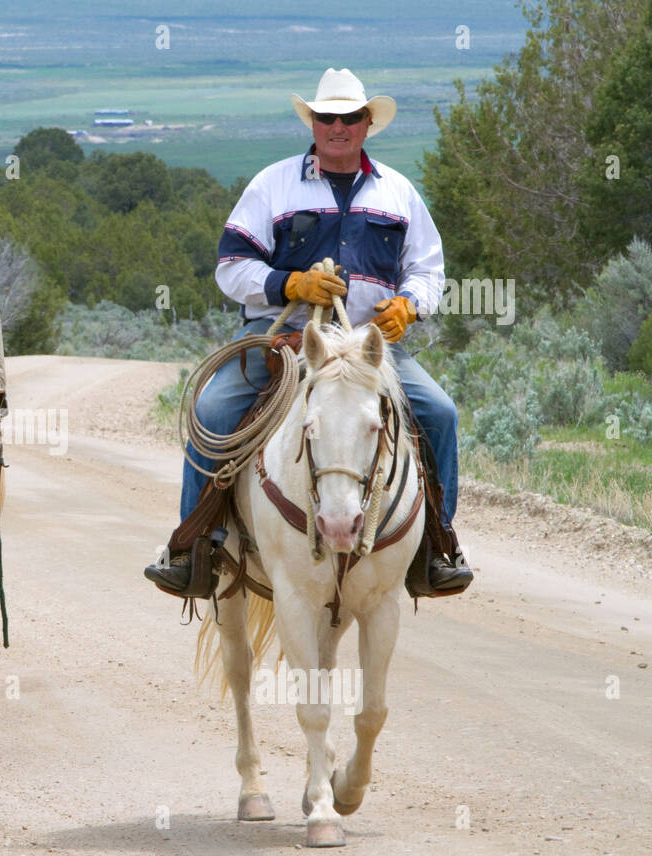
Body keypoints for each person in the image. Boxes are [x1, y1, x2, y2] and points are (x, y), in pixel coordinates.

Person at [145, 68, 472, 593]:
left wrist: (409, 307)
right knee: (212, 411)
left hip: (368, 350)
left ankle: (438, 544)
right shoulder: (272, 184)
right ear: (313, 122)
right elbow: (231, 267)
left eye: (348, 117)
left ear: (367, 124)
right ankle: (192, 545)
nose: (337, 126)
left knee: (439, 413)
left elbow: (428, 269)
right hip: (282, 342)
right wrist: (288, 283)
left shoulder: (398, 192)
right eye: (326, 117)